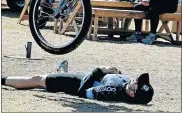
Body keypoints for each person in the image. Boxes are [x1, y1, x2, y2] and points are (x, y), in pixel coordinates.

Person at [1, 63, 154, 104]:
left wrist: (98, 70)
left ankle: (3, 80)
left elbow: (82, 92)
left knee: (36, 80)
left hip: (73, 83)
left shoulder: (111, 90)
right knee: (40, 78)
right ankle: (61, 69)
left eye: (137, 83)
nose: (135, 80)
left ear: (132, 93)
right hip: (80, 76)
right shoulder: (124, 87)